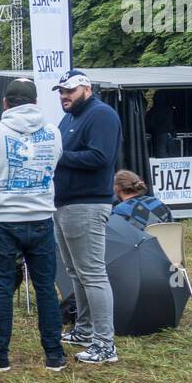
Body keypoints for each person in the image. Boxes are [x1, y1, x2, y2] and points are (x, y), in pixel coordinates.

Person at [0, 78, 66, 372]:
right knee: (46, 288)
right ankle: (54, 354)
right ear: (35, 102)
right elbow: (56, 163)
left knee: (1, 288)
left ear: (5, 103)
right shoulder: (52, 132)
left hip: (4, 220)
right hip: (41, 219)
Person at [52, 69, 123, 365]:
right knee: (75, 272)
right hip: (65, 203)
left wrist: (57, 156)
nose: (64, 96)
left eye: (69, 90)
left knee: (93, 274)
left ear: (87, 89)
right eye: (61, 91)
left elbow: (100, 157)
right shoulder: (69, 118)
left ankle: (105, 344)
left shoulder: (102, 114)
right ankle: (84, 330)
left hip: (88, 203)